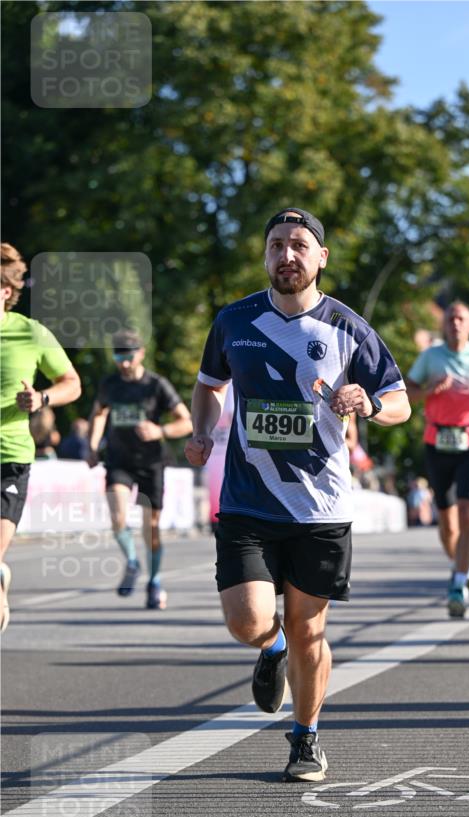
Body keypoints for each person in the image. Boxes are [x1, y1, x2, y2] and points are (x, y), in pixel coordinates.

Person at [185, 207, 410, 782]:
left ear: (321, 258)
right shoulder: (235, 320)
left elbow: (401, 402)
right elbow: (210, 385)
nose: (287, 255)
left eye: (300, 245)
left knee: (312, 629)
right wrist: (202, 429)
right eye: (277, 245)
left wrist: (370, 403)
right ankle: (268, 647)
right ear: (266, 255)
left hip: (320, 507)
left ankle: (306, 737)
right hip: (247, 501)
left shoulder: (349, 327)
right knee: (246, 620)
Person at [1, 241, 81, 631]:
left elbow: (72, 383)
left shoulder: (30, 333)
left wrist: (42, 398)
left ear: (5, 291)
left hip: (9, 460)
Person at [406, 301, 469, 617]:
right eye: (450, 319)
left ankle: (458, 582)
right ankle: (463, 563)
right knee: (447, 523)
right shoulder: (430, 357)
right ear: (444, 325)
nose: (456, 323)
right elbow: (408, 393)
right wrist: (430, 390)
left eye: (461, 318)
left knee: (466, 511)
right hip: (438, 439)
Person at [87, 330, 192, 609]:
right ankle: (132, 562)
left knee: (151, 530)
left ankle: (155, 581)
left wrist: (161, 429)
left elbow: (187, 421)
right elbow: (99, 413)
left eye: (128, 357)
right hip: (119, 461)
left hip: (151, 463)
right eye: (118, 357)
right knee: (118, 517)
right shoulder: (109, 384)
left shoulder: (156, 385)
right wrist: (92, 444)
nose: (123, 363)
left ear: (141, 354)